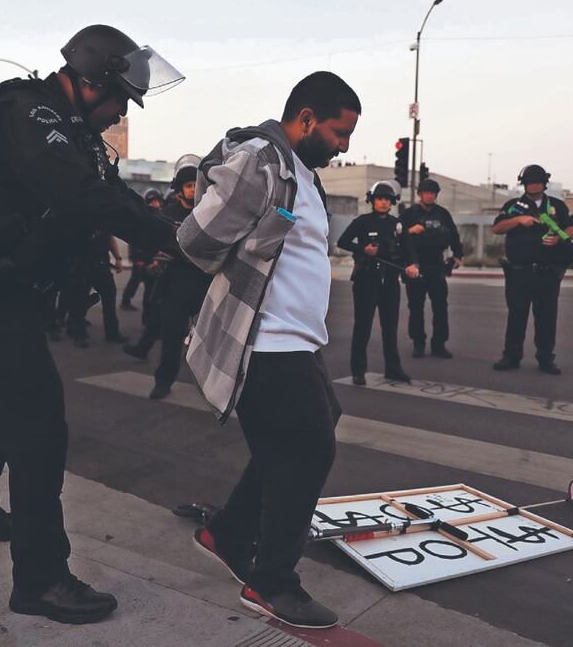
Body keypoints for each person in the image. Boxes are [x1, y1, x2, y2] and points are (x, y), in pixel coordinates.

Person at [0, 24, 183, 625]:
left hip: (2, 285)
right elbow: (79, 195)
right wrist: (172, 239)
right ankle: (40, 580)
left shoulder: (75, 134)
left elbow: (113, 194)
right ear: (90, 81)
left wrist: (170, 235)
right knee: (38, 423)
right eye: (120, 98)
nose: (122, 112)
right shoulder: (29, 113)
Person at [179, 71, 360, 629]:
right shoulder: (261, 160)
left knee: (307, 433)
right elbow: (195, 239)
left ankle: (228, 532)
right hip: (264, 339)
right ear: (306, 118)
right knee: (309, 450)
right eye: (338, 132)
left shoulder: (302, 173)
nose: (344, 145)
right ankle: (272, 581)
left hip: (296, 339)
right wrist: (251, 243)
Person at [491, 164, 573, 375]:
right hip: (519, 272)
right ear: (524, 184)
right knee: (516, 316)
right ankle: (511, 356)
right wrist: (518, 220)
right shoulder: (514, 206)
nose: (533, 186)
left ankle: (546, 358)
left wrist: (559, 238)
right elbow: (497, 228)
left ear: (544, 183)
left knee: (547, 318)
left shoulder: (557, 205)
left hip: (547, 273)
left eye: (537, 182)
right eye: (529, 182)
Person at [147, 155, 212, 399]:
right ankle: (163, 381)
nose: (193, 189)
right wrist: (152, 262)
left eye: (196, 184)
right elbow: (154, 243)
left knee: (209, 339)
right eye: (188, 185)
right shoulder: (167, 213)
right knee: (172, 337)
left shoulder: (208, 212)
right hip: (174, 283)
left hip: (205, 282)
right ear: (179, 189)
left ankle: (214, 388)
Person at [336, 181, 411, 384]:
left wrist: (413, 265)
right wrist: (363, 250)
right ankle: (358, 371)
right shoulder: (363, 222)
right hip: (366, 280)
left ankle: (393, 369)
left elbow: (408, 248)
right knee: (363, 326)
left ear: (393, 202)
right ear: (372, 200)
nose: (384, 202)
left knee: (390, 328)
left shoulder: (397, 225)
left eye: (387, 199)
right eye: (380, 198)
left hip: (390, 282)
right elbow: (342, 241)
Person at [399, 178, 463, 359]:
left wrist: (458, 255)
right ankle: (418, 344)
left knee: (440, 307)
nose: (429, 196)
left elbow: (454, 235)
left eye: (432, 193)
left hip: (436, 265)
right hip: (415, 266)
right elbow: (396, 235)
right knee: (416, 308)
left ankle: (439, 344)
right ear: (420, 194)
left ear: (436, 195)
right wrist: (409, 230)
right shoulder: (409, 214)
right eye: (426, 193)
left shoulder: (443, 214)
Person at [119, 188, 164, 311]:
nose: (156, 203)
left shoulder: (160, 215)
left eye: (157, 201)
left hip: (151, 256)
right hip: (141, 256)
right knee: (135, 280)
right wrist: (136, 257)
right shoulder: (144, 215)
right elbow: (135, 238)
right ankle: (125, 301)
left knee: (150, 285)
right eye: (153, 201)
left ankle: (148, 308)